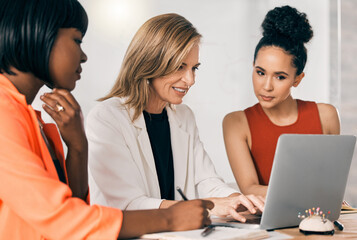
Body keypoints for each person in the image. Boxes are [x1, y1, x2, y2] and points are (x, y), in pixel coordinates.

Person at [0, 1, 213, 239]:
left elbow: (74, 206)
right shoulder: (4, 113)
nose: (83, 56)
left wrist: (78, 147)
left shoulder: (32, 118)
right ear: (39, 35)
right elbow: (63, 220)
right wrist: (170, 218)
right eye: (77, 40)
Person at [87, 13, 264, 222]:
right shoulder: (106, 118)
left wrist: (238, 200)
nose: (190, 80)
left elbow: (205, 180)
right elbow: (126, 204)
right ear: (151, 62)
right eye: (180, 66)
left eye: (194, 68)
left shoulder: (184, 116)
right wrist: (210, 206)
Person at [223, 5, 340, 197]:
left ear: (297, 79)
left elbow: (332, 183)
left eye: (280, 77)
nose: (266, 86)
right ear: (253, 66)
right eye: (260, 72)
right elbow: (250, 188)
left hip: (318, 219)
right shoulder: (236, 123)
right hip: (265, 222)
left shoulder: (326, 115)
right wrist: (309, 194)